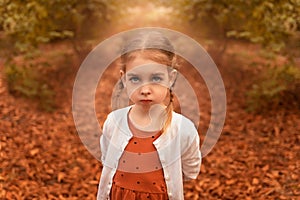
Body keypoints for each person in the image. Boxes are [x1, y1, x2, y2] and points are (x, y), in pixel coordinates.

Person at [97, 31, 201, 200]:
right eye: (135, 79)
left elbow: (190, 170)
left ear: (171, 78)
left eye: (155, 78)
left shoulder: (183, 129)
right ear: (124, 79)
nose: (145, 90)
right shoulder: (114, 122)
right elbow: (106, 157)